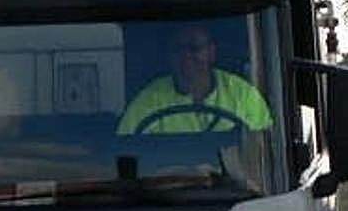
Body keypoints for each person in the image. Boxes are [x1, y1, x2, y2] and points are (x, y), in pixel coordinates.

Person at [117, 25, 273, 134]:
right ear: (168, 57)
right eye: (178, 49)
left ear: (212, 52)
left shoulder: (243, 96)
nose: (186, 56)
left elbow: (265, 148)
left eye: (194, 48)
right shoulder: (148, 101)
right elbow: (125, 146)